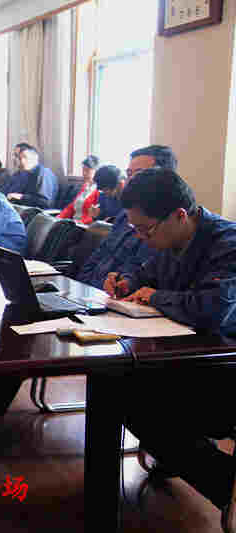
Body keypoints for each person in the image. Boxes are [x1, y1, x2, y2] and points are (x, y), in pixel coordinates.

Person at [113, 168, 236, 514]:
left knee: (133, 397)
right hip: (191, 358)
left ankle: (223, 485)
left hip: (225, 365)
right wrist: (127, 281)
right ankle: (206, 470)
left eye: (145, 229)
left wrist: (154, 297)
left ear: (180, 215)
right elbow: (146, 273)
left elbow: (213, 309)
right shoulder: (171, 240)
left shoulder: (228, 244)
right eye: (134, 229)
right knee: (119, 386)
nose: (140, 237)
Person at [76, 145, 177, 289]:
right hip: (91, 292)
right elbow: (98, 256)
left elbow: (135, 276)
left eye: (140, 174)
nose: (131, 181)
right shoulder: (124, 215)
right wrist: (81, 288)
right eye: (129, 174)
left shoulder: (165, 226)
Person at [57, 155, 100, 221]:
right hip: (74, 222)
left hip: (83, 225)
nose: (84, 173)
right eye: (83, 170)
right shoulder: (85, 186)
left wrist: (79, 223)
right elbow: (71, 207)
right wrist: (58, 218)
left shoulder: (98, 191)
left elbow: (94, 216)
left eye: (87, 170)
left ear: (96, 171)